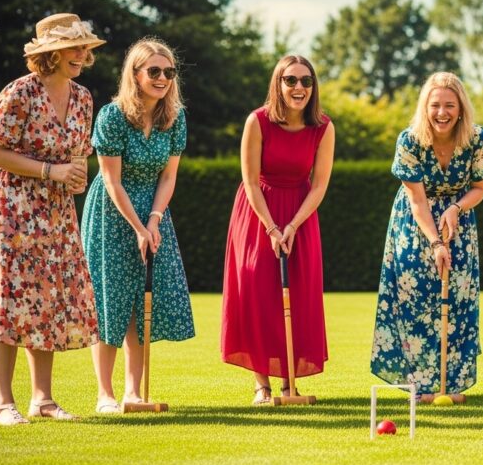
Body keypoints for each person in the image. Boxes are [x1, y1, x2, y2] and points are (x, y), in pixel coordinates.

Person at [0, 13, 104, 425]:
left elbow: (78, 154)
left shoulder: (83, 97)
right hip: (10, 208)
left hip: (54, 211)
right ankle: (4, 404)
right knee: (9, 302)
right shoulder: (19, 92)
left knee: (47, 300)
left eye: (85, 47)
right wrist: (51, 172)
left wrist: (77, 174)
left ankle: (43, 400)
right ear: (50, 54)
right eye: (74, 47)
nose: (82, 54)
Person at [82, 38, 195, 413]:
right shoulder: (112, 117)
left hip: (153, 211)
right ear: (135, 74)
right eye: (154, 71)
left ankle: (132, 392)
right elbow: (111, 181)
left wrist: (155, 220)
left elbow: (168, 177)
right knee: (111, 299)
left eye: (168, 72)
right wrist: (137, 226)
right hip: (113, 213)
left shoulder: (174, 118)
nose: (162, 78)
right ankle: (105, 394)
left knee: (140, 304)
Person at [371, 72, 483, 397]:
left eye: (449, 105)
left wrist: (456, 208)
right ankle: (421, 385)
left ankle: (450, 384)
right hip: (415, 227)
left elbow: (480, 188)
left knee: (457, 301)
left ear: (461, 108)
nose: (442, 112)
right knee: (416, 301)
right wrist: (436, 243)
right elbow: (416, 199)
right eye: (435, 105)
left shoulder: (476, 138)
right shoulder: (410, 140)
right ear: (425, 107)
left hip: (460, 224)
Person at [221, 55, 335, 404]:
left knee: (298, 295)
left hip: (300, 214)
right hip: (259, 214)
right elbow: (251, 181)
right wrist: (272, 228)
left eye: (306, 81)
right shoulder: (257, 122)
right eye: (291, 80)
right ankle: (262, 385)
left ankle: (289, 385)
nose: (298, 87)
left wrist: (293, 226)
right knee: (257, 291)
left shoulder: (323, 127)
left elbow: (318, 186)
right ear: (278, 83)